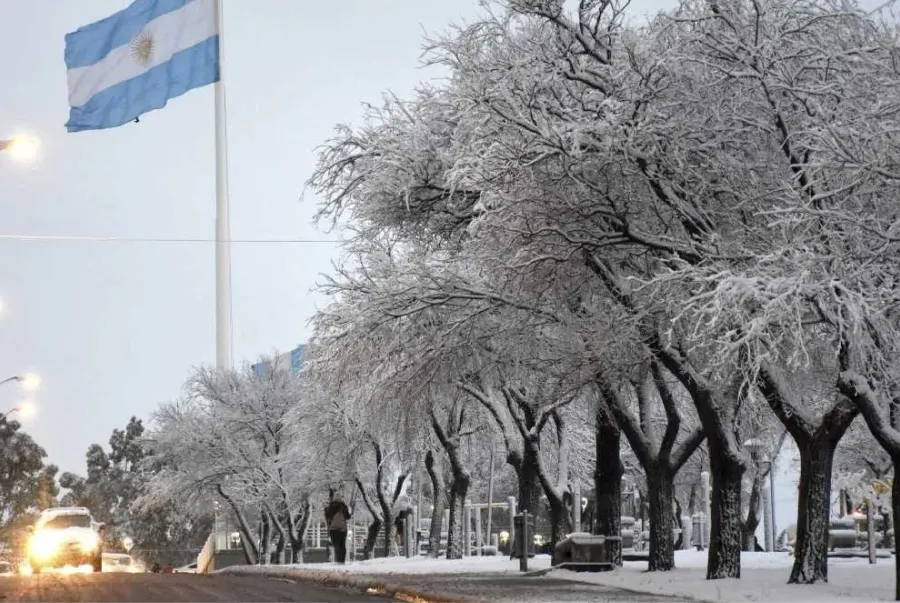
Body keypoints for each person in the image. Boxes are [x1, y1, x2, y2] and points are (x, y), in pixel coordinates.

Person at [325, 493, 351, 563]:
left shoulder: (331, 506)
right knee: (342, 545)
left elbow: (327, 516)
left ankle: (338, 560)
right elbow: (348, 517)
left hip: (333, 529)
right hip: (343, 529)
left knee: (336, 545)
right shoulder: (344, 506)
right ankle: (342, 561)